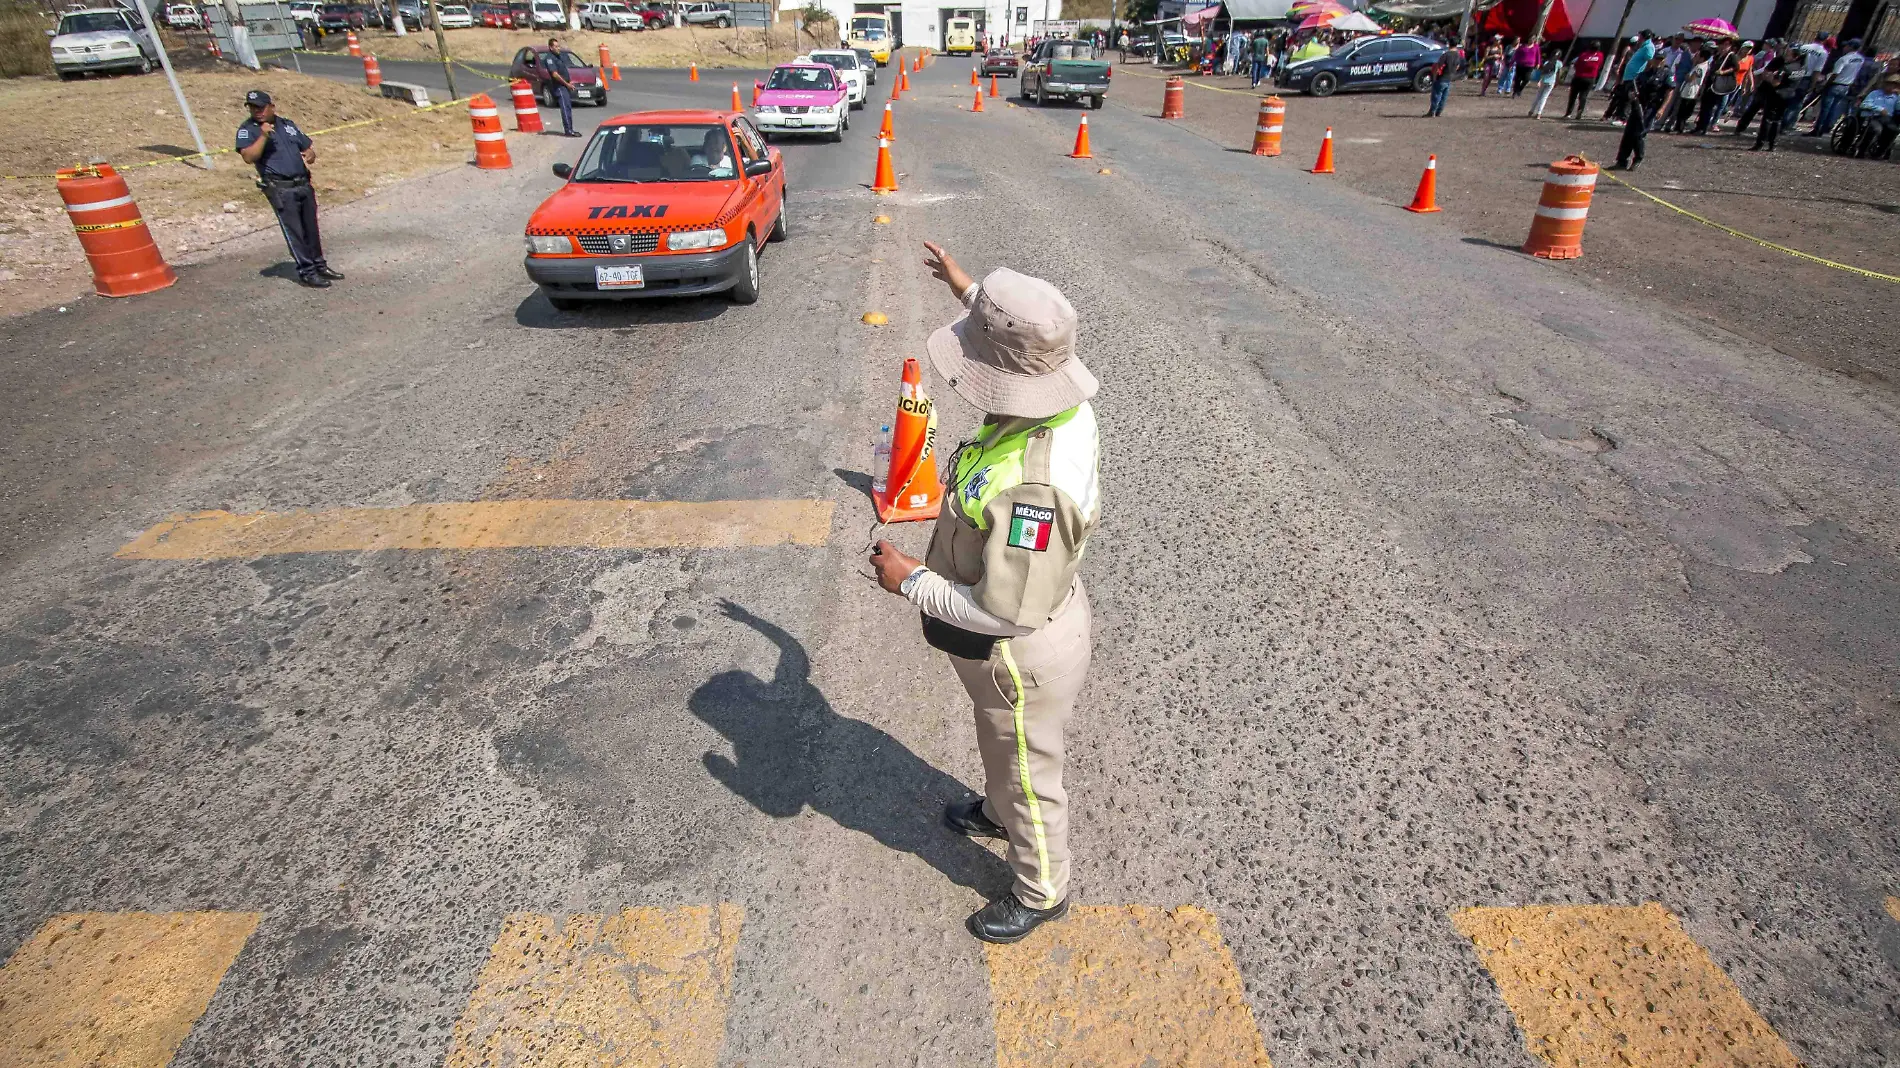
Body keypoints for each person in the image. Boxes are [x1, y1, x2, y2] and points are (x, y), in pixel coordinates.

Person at [869, 241, 1102, 946]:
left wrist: (908, 579)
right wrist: (969, 291)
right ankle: (1001, 811)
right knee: (1001, 747)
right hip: (1011, 641)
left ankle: (1042, 888)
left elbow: (1004, 611)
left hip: (1018, 651)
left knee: (1031, 772)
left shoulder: (1036, 489)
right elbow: (1022, 345)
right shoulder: (1061, 400)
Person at [235, 89, 342, 289]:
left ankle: (319, 264)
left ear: (271, 107)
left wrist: (310, 154)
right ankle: (307, 272)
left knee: (311, 228)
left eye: (261, 107)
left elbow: (307, 146)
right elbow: (248, 157)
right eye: (252, 108)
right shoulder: (248, 130)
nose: (257, 111)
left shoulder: (287, 125)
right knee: (296, 232)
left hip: (302, 183)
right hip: (281, 189)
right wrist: (263, 136)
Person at [1615, 51, 1671, 169]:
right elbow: (1634, 86)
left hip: (1651, 107)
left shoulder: (1666, 74)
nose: (1658, 62)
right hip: (1638, 105)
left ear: (1664, 60)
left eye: (1660, 59)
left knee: (1639, 133)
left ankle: (1638, 159)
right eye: (1656, 59)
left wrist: (1662, 109)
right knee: (1629, 133)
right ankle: (1621, 160)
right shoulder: (1644, 74)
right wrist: (1631, 94)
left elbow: (1669, 92)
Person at [1809, 39, 1867, 135]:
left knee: (1825, 109)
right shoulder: (1861, 59)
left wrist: (1826, 84)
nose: (1844, 48)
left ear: (1850, 47)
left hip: (1836, 84)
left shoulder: (1844, 59)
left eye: (1846, 46)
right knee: (1834, 108)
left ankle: (1817, 130)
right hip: (1846, 86)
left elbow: (1835, 74)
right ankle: (1826, 128)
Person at [1749, 41, 1792, 150]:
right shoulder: (1780, 61)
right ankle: (1766, 144)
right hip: (1778, 93)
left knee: (1773, 120)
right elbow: (1767, 74)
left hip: (1782, 94)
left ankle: (1767, 144)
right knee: (1771, 119)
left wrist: (1774, 79)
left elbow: (1772, 79)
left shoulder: (1795, 65)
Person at [1603, 31, 1654, 123]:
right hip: (1629, 77)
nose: (1639, 37)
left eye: (1640, 36)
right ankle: (1619, 116)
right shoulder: (1643, 46)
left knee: (1628, 98)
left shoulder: (1648, 47)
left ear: (1644, 37)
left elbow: (1650, 62)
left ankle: (1623, 119)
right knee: (1623, 97)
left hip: (1635, 77)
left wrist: (1642, 74)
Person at [540, 38, 580, 137]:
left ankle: (570, 128)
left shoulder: (558, 57)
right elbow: (555, 74)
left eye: (559, 46)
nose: (559, 48)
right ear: (550, 47)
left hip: (565, 85)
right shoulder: (550, 59)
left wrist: (569, 82)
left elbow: (563, 71)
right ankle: (568, 131)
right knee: (565, 108)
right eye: (556, 46)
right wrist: (567, 84)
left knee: (568, 107)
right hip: (559, 87)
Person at [1853, 73, 1899, 157]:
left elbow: (1898, 108)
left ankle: (1880, 151)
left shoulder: (1896, 97)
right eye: (1889, 84)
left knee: (1893, 130)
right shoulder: (1875, 93)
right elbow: (1864, 104)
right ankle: (1861, 149)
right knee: (1876, 129)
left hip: (1887, 119)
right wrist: (1879, 109)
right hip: (1872, 116)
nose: (1891, 87)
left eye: (1893, 85)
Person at [1563, 42, 1604, 118]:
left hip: (1579, 77)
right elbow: (1600, 65)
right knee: (1583, 96)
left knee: (1573, 96)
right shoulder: (1600, 55)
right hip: (1590, 78)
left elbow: (1576, 65)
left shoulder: (1583, 55)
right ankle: (1580, 111)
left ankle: (1568, 113)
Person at [1426, 42, 1459, 116]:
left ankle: (1432, 112)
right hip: (1449, 78)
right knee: (1444, 96)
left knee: (1436, 95)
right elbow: (1457, 66)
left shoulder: (1446, 55)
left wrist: (1434, 77)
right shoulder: (1457, 55)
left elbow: (1438, 66)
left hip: (1441, 77)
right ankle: (1439, 111)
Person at [1527, 52, 1560, 118]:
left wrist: (1540, 80)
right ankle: (1539, 113)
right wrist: (1557, 82)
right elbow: (1558, 74)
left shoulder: (1547, 62)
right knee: (1544, 97)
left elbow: (1542, 72)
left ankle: (1531, 111)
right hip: (1551, 82)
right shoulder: (1559, 63)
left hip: (1544, 81)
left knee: (1538, 96)